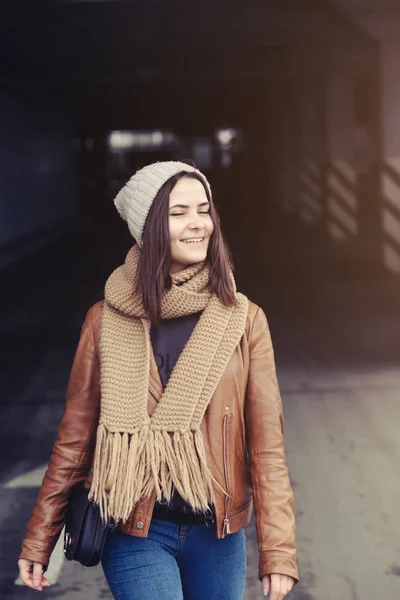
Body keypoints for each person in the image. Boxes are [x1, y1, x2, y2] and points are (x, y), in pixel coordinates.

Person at [18, 160, 299, 599]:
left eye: (203, 210)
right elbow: (75, 441)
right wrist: (40, 538)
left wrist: (278, 551)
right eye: (178, 212)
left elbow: (267, 446)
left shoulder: (244, 321)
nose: (197, 224)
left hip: (217, 535)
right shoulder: (104, 321)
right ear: (147, 227)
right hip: (135, 527)